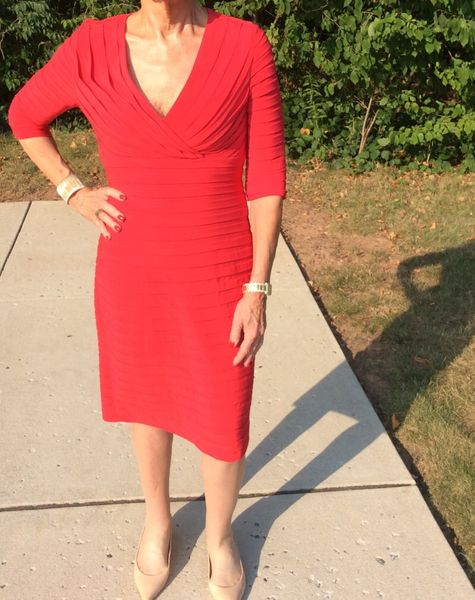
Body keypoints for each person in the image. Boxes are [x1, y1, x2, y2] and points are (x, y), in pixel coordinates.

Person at [7, 1, 286, 598]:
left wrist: (258, 286)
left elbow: (265, 173)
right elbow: (24, 116)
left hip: (220, 269)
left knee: (224, 410)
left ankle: (219, 537)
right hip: (132, 269)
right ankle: (157, 522)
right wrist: (72, 190)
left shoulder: (243, 45)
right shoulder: (91, 47)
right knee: (148, 401)